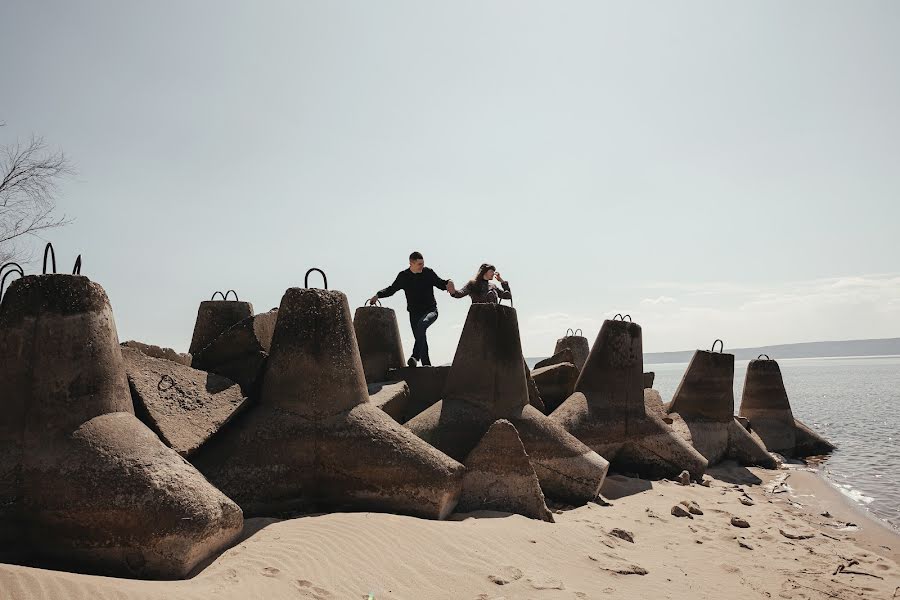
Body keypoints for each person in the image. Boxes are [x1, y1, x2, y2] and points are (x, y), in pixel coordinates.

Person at [369, 251, 455, 367]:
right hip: (414, 314)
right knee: (420, 337)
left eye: (423, 263)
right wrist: (378, 295)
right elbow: (391, 289)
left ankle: (418, 358)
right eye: (419, 264)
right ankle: (423, 363)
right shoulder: (404, 276)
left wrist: (449, 282)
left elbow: (440, 283)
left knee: (422, 325)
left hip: (431, 310)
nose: (422, 266)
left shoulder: (428, 273)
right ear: (411, 263)